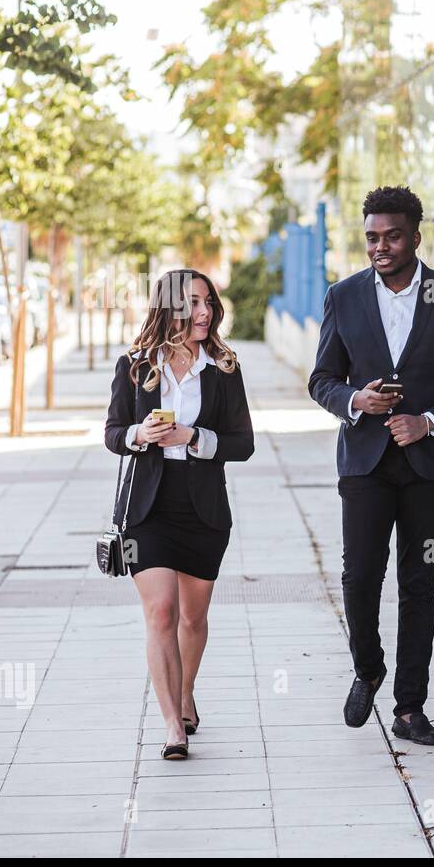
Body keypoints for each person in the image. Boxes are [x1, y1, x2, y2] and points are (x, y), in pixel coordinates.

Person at [308, 185, 434, 745]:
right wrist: (355, 401)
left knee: (420, 583)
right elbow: (321, 380)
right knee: (359, 577)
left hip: (428, 471)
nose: (380, 246)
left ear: (415, 237)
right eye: (371, 237)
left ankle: (409, 708)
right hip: (364, 465)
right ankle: (368, 668)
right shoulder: (342, 297)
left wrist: (430, 421)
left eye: (392, 236)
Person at [104, 269, 255, 759]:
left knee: (193, 617)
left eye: (208, 301)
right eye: (192, 302)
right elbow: (112, 433)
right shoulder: (135, 365)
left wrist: (193, 437)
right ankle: (172, 725)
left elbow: (244, 443)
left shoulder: (225, 367)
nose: (204, 312)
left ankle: (186, 693)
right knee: (161, 611)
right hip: (147, 506)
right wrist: (139, 435)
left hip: (203, 506)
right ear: (167, 307)